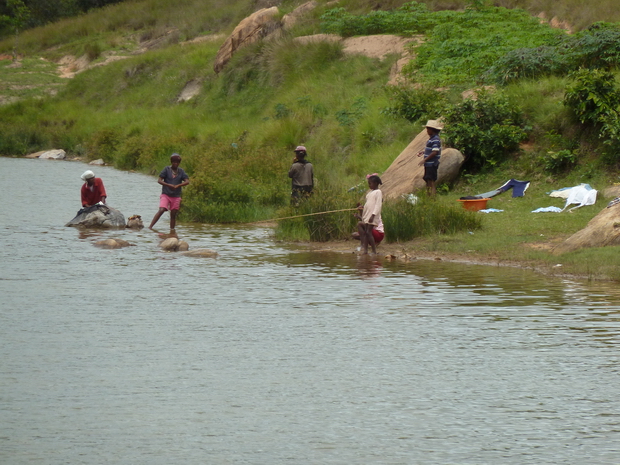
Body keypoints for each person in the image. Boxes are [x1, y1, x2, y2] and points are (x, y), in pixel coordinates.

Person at [149, 153, 190, 230]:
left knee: (173, 214)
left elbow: (187, 181)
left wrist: (178, 185)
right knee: (162, 210)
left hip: (176, 196)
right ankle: (150, 227)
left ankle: (172, 231)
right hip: (166, 194)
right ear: (171, 162)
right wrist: (168, 185)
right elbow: (159, 180)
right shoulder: (166, 169)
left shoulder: (181, 171)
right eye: (174, 162)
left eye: (177, 162)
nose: (175, 164)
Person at [355, 174, 384, 255]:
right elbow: (368, 206)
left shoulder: (378, 192)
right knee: (367, 233)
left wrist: (373, 215)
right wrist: (362, 208)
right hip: (368, 215)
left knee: (368, 232)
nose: (369, 185)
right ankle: (366, 251)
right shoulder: (370, 193)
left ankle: (374, 251)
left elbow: (378, 205)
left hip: (372, 216)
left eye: (370, 183)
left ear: (375, 183)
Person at [417, 119, 443, 197]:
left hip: (432, 163)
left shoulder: (435, 139)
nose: (427, 131)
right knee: (427, 180)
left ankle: (432, 198)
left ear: (432, 130)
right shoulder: (432, 139)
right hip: (429, 164)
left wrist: (424, 160)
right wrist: (424, 152)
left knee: (431, 181)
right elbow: (432, 149)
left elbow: (435, 152)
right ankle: (429, 197)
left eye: (428, 129)